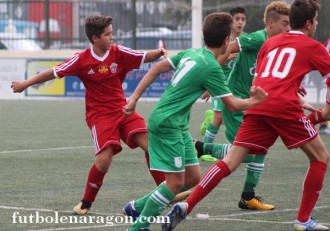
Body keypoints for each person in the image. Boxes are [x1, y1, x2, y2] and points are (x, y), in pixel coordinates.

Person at [164, 1, 330, 231]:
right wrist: (323, 112)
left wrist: (292, 89)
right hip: (282, 108)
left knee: (231, 160)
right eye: (317, 20)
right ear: (309, 23)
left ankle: (187, 205)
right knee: (320, 157)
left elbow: (263, 77)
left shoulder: (270, 43)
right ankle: (303, 220)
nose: (317, 24)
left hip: (257, 104)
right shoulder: (314, 46)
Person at [10, 15, 170, 215]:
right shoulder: (81, 59)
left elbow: (143, 56)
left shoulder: (118, 52)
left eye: (112, 33)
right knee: (104, 161)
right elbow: (53, 72)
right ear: (95, 38)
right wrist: (25, 84)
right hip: (100, 116)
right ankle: (86, 202)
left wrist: (159, 52)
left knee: (152, 145)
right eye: (108, 34)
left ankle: (165, 191)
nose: (112, 37)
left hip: (123, 109)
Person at [122, 12, 268, 231]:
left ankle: (136, 207)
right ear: (226, 40)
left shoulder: (192, 52)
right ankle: (137, 227)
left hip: (177, 124)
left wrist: (133, 98)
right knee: (174, 184)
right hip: (167, 124)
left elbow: (155, 67)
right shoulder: (211, 67)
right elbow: (232, 105)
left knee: (192, 177)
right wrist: (255, 100)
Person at [199, 1, 290, 211]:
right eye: (285, 23)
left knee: (260, 148)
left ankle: (248, 196)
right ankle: (201, 148)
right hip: (236, 99)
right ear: (271, 23)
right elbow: (229, 47)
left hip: (255, 101)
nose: (288, 29)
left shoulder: (280, 44)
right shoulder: (257, 38)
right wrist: (208, 77)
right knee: (247, 152)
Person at [200, 6, 248, 145]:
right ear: (231, 21)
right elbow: (212, 62)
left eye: (243, 19)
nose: (240, 22)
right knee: (219, 116)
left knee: (238, 117)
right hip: (220, 82)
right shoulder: (222, 39)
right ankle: (206, 149)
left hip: (238, 87)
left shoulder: (247, 40)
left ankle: (236, 147)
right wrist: (227, 57)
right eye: (237, 19)